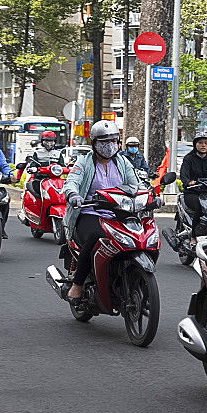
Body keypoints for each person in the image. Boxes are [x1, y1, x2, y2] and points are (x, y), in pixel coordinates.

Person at [62, 120, 139, 304]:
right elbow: (72, 181)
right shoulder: (84, 162)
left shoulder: (122, 162)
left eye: (113, 141)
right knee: (96, 237)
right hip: (89, 213)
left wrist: (150, 194)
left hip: (118, 214)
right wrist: (73, 194)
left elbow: (136, 184)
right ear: (94, 144)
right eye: (104, 142)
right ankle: (77, 285)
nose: (109, 146)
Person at [180, 131, 207, 229]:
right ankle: (194, 235)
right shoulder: (189, 159)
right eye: (200, 143)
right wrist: (188, 182)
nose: (203, 145)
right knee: (200, 206)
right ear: (195, 145)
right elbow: (184, 175)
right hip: (193, 193)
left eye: (206, 143)